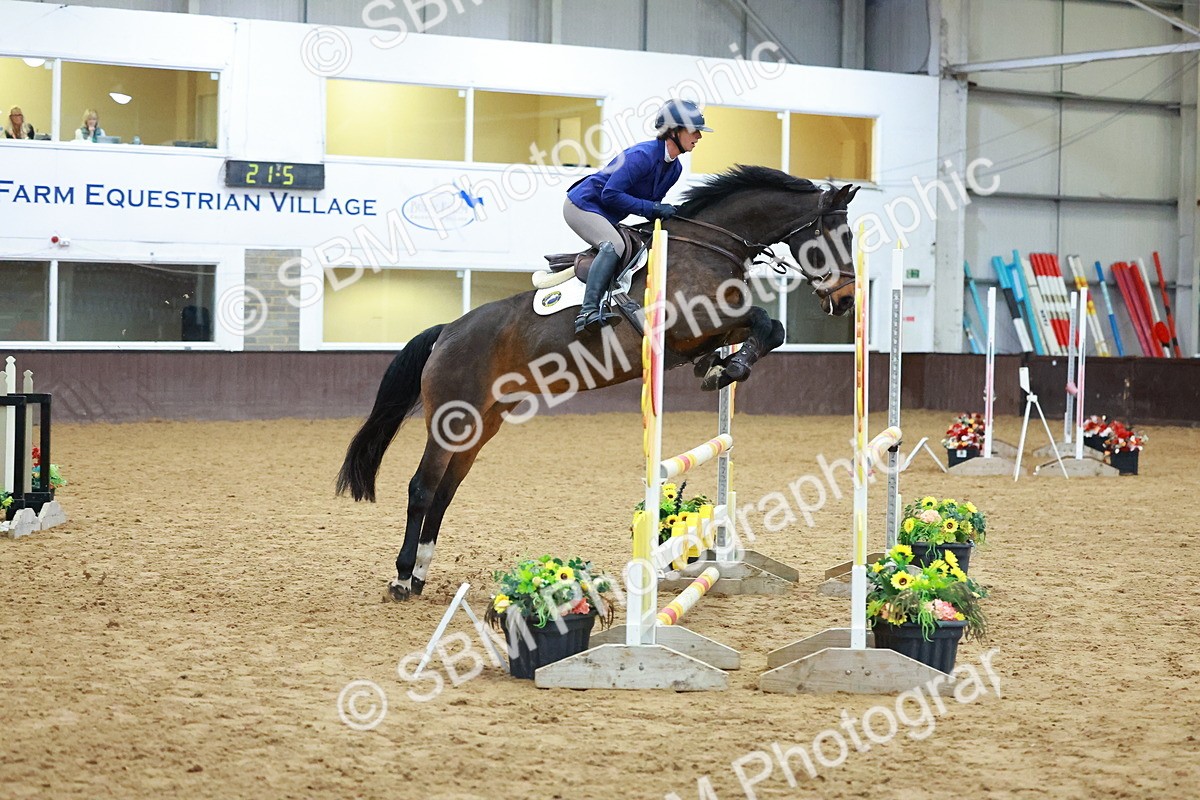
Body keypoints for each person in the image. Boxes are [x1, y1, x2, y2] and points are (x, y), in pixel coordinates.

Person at [564, 98, 712, 335]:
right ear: (674, 131)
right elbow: (610, 194)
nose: (699, 137)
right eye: (694, 130)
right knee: (614, 246)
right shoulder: (642, 155)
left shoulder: (675, 169)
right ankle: (587, 312)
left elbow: (652, 206)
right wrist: (654, 208)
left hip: (607, 215)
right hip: (582, 205)